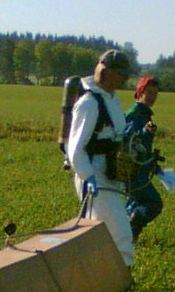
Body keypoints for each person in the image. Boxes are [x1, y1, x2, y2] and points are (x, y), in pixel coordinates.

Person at [65, 49, 135, 267]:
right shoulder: (90, 102)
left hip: (110, 177)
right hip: (95, 178)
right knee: (120, 235)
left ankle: (101, 283)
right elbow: (74, 148)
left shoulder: (111, 99)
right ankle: (122, 282)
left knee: (105, 237)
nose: (124, 79)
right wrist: (88, 176)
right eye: (120, 74)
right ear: (105, 71)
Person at [124, 76, 164, 243]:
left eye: (155, 93)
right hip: (133, 171)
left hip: (139, 170)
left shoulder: (145, 114)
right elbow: (128, 140)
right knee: (154, 203)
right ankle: (131, 229)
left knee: (132, 205)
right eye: (149, 92)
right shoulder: (134, 114)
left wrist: (154, 166)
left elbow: (143, 147)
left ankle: (123, 236)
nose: (153, 97)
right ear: (140, 92)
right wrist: (146, 133)